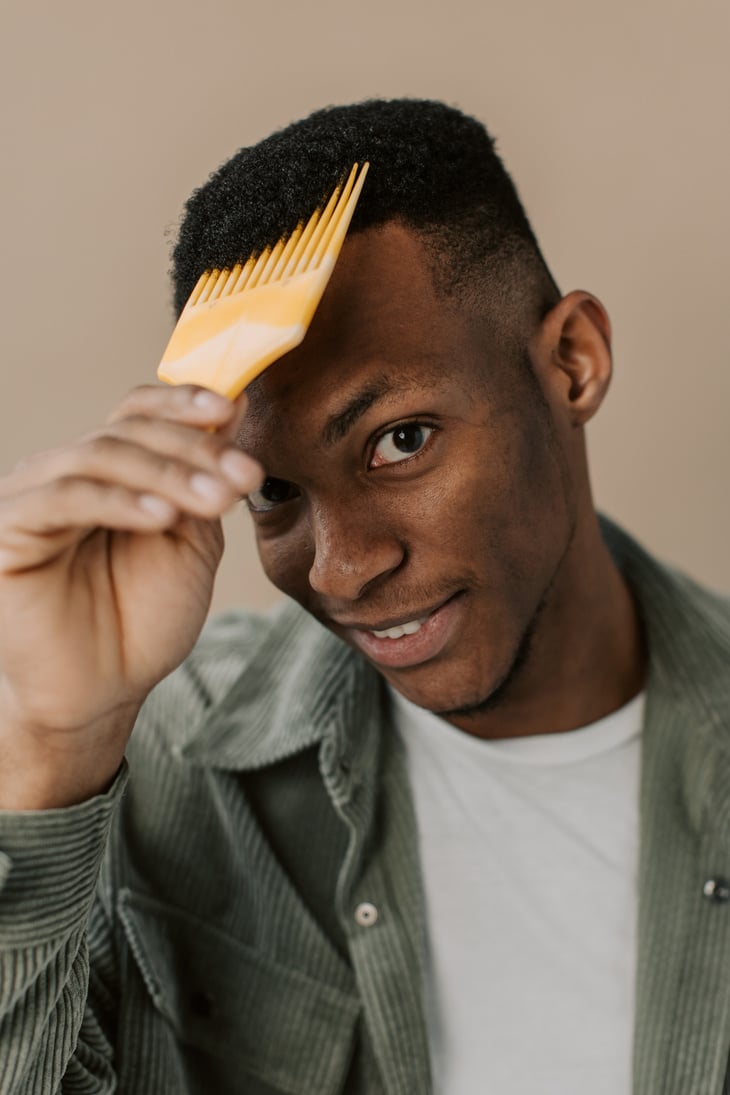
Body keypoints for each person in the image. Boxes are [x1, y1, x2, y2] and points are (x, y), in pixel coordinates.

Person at [0, 98, 728, 1095]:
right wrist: (48, 744)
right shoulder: (161, 766)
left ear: (572, 362)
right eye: (274, 493)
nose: (340, 570)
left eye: (400, 440)